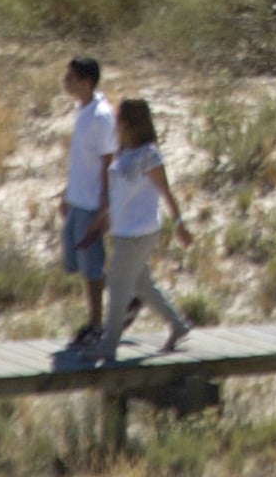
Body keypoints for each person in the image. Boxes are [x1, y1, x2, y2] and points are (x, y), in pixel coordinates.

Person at [98, 97, 191, 359]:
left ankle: (108, 344)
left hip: (140, 231)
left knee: (117, 284)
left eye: (119, 118)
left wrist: (180, 224)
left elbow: (166, 191)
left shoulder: (149, 155)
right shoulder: (123, 152)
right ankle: (178, 325)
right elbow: (119, 192)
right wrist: (106, 217)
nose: (116, 123)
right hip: (123, 230)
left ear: (130, 122)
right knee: (142, 283)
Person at [54, 56, 114, 361]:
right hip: (78, 199)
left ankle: (97, 324)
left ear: (86, 82)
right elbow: (82, 161)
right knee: (78, 262)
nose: (65, 81)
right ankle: (122, 301)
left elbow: (108, 162)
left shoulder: (102, 116)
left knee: (92, 267)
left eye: (71, 77)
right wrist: (67, 194)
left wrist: (105, 205)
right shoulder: (84, 111)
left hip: (92, 203)